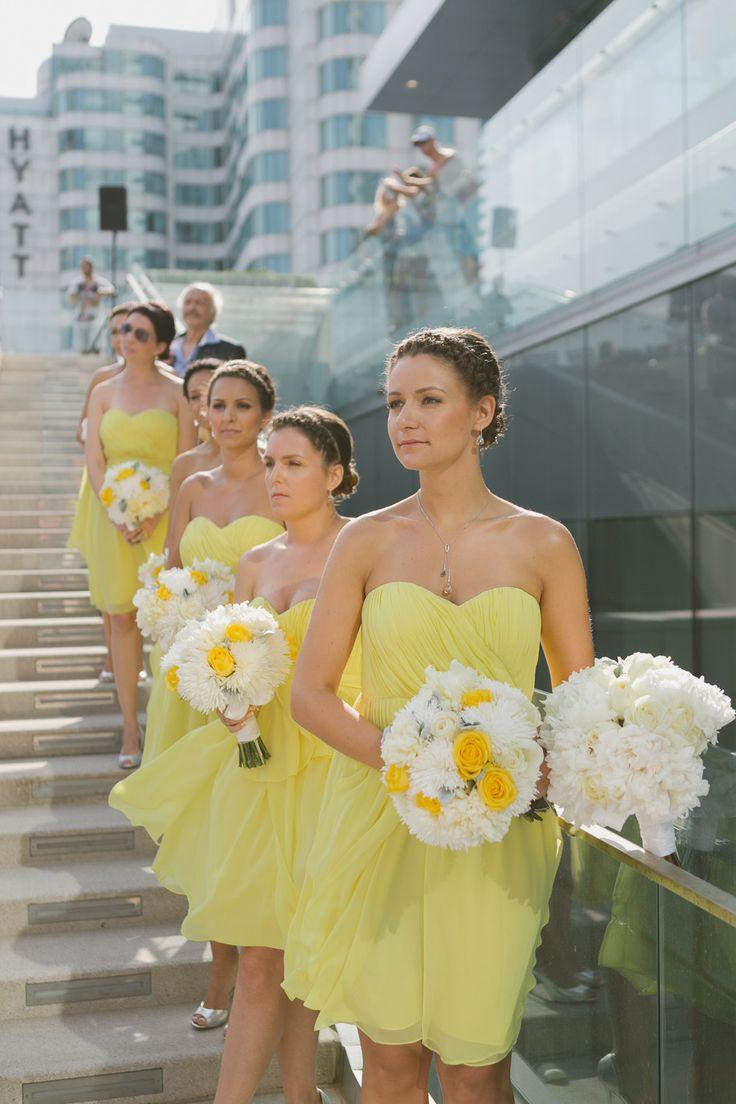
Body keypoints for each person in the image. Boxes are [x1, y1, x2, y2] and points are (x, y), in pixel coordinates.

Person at [284, 327, 594, 1103]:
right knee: (388, 1059)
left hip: (499, 835)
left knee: (475, 1065)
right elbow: (310, 695)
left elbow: (580, 700)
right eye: (395, 403)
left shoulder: (544, 542)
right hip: (380, 821)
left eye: (430, 400)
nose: (405, 419)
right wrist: (409, 765)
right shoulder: (364, 540)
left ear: (483, 411)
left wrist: (539, 770)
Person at [109, 406, 361, 1104]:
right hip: (256, 768)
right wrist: (228, 697)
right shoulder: (257, 560)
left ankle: (302, 1093)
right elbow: (231, 654)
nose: (275, 477)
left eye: (294, 464)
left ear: (335, 473)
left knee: (305, 958)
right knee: (259, 958)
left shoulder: (364, 549)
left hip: (330, 768)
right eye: (271, 463)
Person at [134, 360, 283, 1032]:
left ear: (264, 415)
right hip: (187, 678)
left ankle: (245, 967)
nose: (225, 417)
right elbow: (171, 569)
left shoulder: (284, 481)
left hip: (255, 678)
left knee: (240, 823)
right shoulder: (189, 482)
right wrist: (170, 609)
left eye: (242, 406)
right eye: (216, 404)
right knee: (200, 822)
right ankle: (219, 961)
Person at [84, 301, 196, 769]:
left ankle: (170, 729)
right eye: (126, 329)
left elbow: (186, 462)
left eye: (141, 333)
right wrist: (115, 510)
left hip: (163, 519)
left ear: (163, 345)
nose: (128, 337)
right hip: (111, 518)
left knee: (168, 623)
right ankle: (130, 725)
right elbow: (94, 458)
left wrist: (158, 516)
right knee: (123, 619)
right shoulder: (103, 391)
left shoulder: (178, 393)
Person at [69, 303, 133, 682]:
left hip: (149, 489)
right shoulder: (102, 379)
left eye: (128, 329)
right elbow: (83, 425)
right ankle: (113, 655)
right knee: (109, 578)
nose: (121, 338)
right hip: (103, 487)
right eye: (115, 331)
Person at [411, 125, 479, 284]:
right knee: (457, 253)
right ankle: (467, 285)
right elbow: (431, 194)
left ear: (433, 141)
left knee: (468, 249)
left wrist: (449, 192)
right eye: (419, 144)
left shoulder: (451, 157)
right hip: (448, 218)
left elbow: (466, 178)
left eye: (424, 142)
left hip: (464, 210)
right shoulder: (431, 170)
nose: (422, 147)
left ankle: (474, 281)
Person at [167, 358, 224, 509]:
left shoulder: (267, 460)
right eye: (195, 397)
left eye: (210, 392)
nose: (204, 403)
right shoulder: (183, 465)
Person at [170, 283, 246, 377]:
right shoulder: (169, 345)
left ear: (214, 311)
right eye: (187, 302)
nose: (192, 308)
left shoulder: (230, 350)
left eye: (199, 303)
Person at [67, 256, 114, 354]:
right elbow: (71, 297)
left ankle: (96, 355)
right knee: (81, 342)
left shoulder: (99, 281)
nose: (85, 268)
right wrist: (78, 297)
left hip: (95, 314)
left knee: (97, 339)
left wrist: (100, 292)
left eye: (87, 266)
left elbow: (111, 290)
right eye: (83, 266)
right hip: (81, 314)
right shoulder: (77, 282)